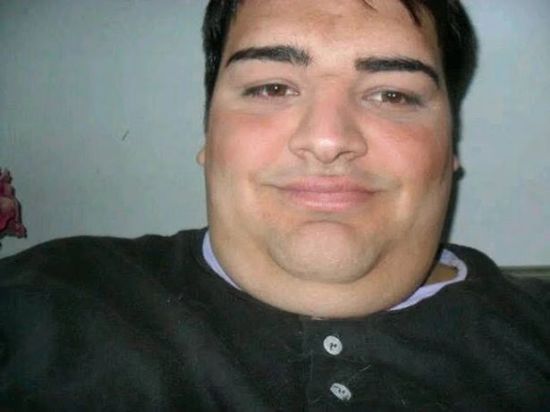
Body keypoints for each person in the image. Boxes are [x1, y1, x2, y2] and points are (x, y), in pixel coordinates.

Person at [0, 0, 548, 410]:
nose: (327, 139)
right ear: (209, 134)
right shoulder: (38, 303)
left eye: (393, 94)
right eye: (271, 88)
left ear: (450, 149)